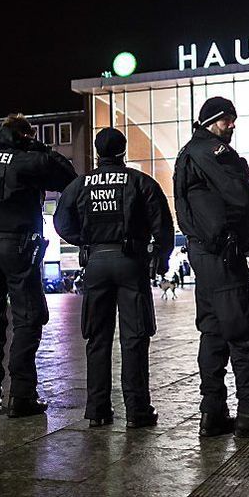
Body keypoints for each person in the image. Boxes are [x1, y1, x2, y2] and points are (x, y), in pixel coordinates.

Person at [173, 96, 249, 439]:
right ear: (211, 121)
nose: (232, 125)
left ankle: (213, 413)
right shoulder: (213, 152)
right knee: (244, 334)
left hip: (203, 252)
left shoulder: (187, 153)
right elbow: (239, 196)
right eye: (227, 119)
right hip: (224, 254)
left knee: (212, 333)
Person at [54, 127, 175, 429]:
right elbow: (163, 224)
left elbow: (61, 221)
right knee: (134, 338)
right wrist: (159, 257)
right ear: (123, 152)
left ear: (97, 153)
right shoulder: (139, 182)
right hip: (131, 262)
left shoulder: (80, 185)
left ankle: (97, 410)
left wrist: (85, 240)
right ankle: (137, 411)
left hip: (96, 262)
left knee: (97, 338)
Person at [0, 113, 77, 418]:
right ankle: (22, 394)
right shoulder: (24, 162)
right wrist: (39, 147)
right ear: (24, 136)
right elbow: (67, 175)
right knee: (28, 318)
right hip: (19, 248)